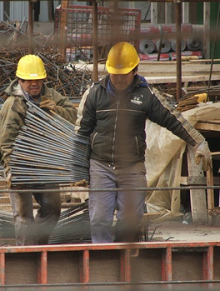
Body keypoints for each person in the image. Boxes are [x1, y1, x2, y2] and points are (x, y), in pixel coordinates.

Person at [75, 42, 212, 243]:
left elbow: (172, 119)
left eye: (125, 73)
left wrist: (198, 142)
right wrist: (78, 172)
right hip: (101, 166)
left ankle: (125, 262)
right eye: (115, 73)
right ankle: (101, 264)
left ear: (135, 70)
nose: (120, 78)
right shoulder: (94, 94)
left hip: (132, 167)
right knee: (99, 220)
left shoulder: (146, 95)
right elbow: (81, 134)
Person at [0, 54, 77, 245]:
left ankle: (37, 248)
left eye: (37, 80)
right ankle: (25, 256)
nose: (34, 84)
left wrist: (57, 110)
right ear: (20, 80)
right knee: (24, 217)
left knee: (53, 209)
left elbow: (73, 117)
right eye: (29, 81)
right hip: (19, 162)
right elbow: (7, 141)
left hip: (43, 160)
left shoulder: (51, 95)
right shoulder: (13, 105)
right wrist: (11, 170)